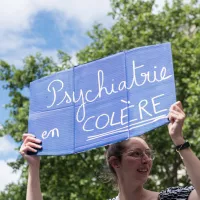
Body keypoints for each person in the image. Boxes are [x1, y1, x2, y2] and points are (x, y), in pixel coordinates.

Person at [20, 101, 200, 200]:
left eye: (147, 153)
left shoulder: (169, 198)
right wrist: (33, 167)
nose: (146, 160)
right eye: (136, 154)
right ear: (115, 162)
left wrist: (178, 140)